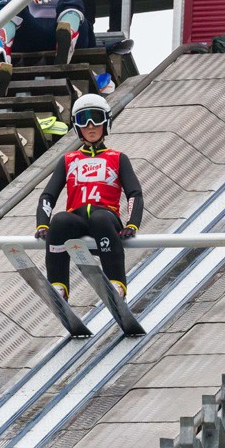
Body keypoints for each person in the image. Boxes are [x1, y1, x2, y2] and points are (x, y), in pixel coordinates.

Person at [35, 94, 142, 300]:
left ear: (106, 121)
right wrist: (42, 224)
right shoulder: (68, 159)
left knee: (99, 218)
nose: (90, 125)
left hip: (106, 219)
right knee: (60, 220)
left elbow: (134, 193)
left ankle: (117, 283)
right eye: (83, 120)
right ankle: (58, 287)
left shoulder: (117, 158)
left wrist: (132, 224)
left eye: (96, 118)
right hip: (77, 219)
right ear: (77, 126)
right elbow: (48, 195)